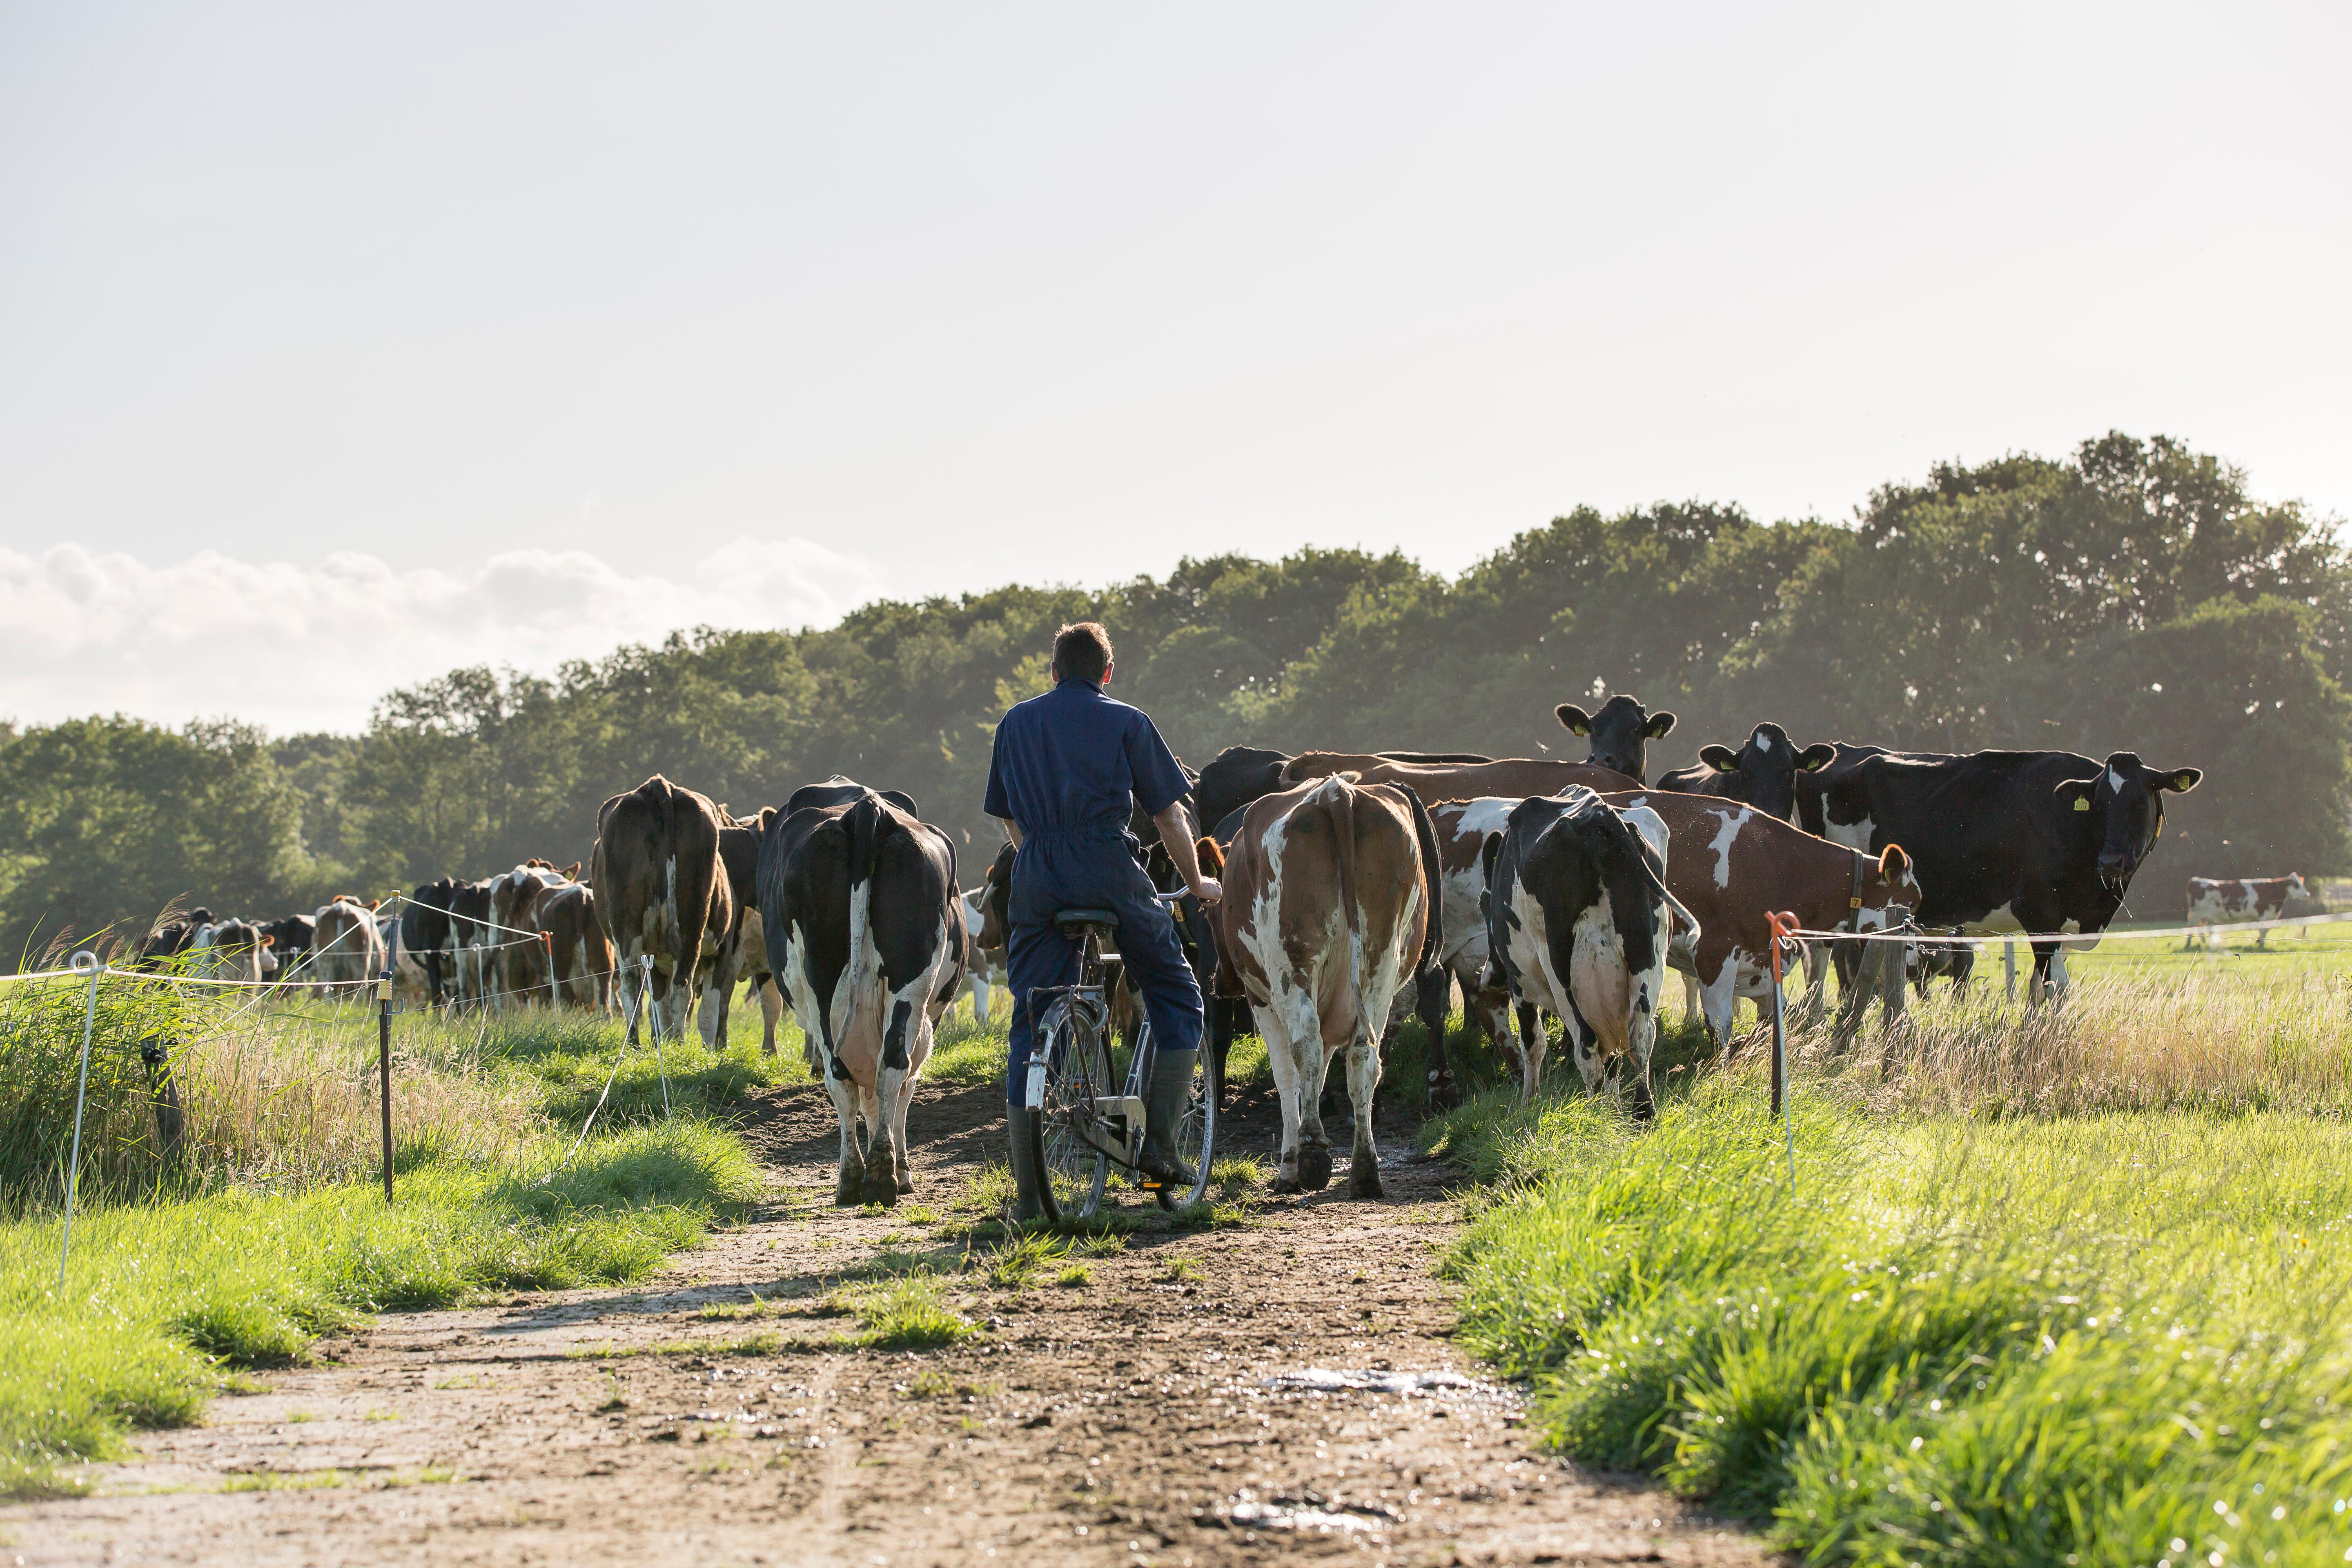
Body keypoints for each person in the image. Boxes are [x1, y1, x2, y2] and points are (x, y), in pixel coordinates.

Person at [983, 621, 1222, 1219]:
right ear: (1107, 673)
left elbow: (1005, 817)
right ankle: (1161, 1154)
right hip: (1107, 865)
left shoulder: (1015, 722)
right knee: (1177, 992)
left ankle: (1031, 1201)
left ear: (1054, 671)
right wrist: (1197, 883)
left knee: (1032, 1011)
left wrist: (1038, 849)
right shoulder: (1127, 721)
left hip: (1036, 870)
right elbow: (1169, 813)